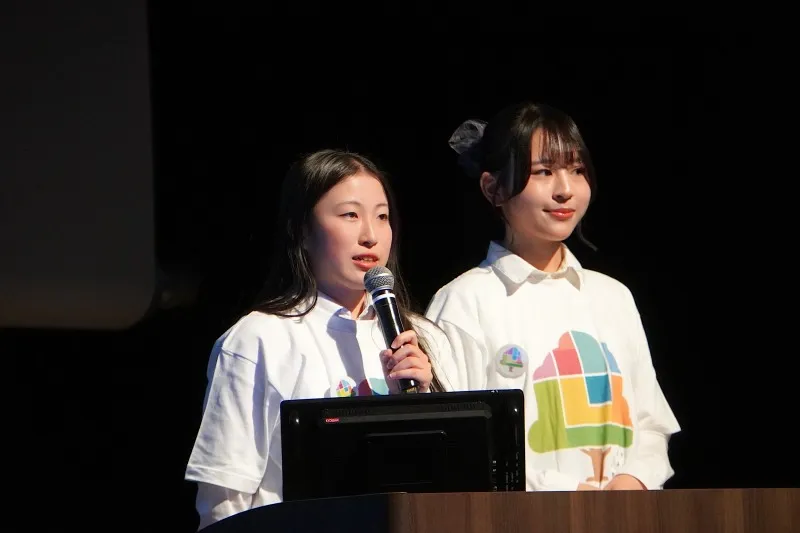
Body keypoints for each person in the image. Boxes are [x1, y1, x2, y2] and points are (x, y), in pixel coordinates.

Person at [185, 149, 459, 529]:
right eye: (350, 215)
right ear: (302, 231)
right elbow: (224, 500)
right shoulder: (258, 338)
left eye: (382, 217)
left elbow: (458, 486)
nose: (370, 235)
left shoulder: (425, 338)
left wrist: (421, 403)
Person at [425, 101, 680, 492]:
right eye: (543, 172)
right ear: (493, 188)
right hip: (523, 516)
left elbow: (650, 422)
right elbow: (463, 441)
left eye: (576, 170)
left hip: (626, 514)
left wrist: (634, 480)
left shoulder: (613, 297)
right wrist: (564, 493)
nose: (565, 190)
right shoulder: (463, 301)